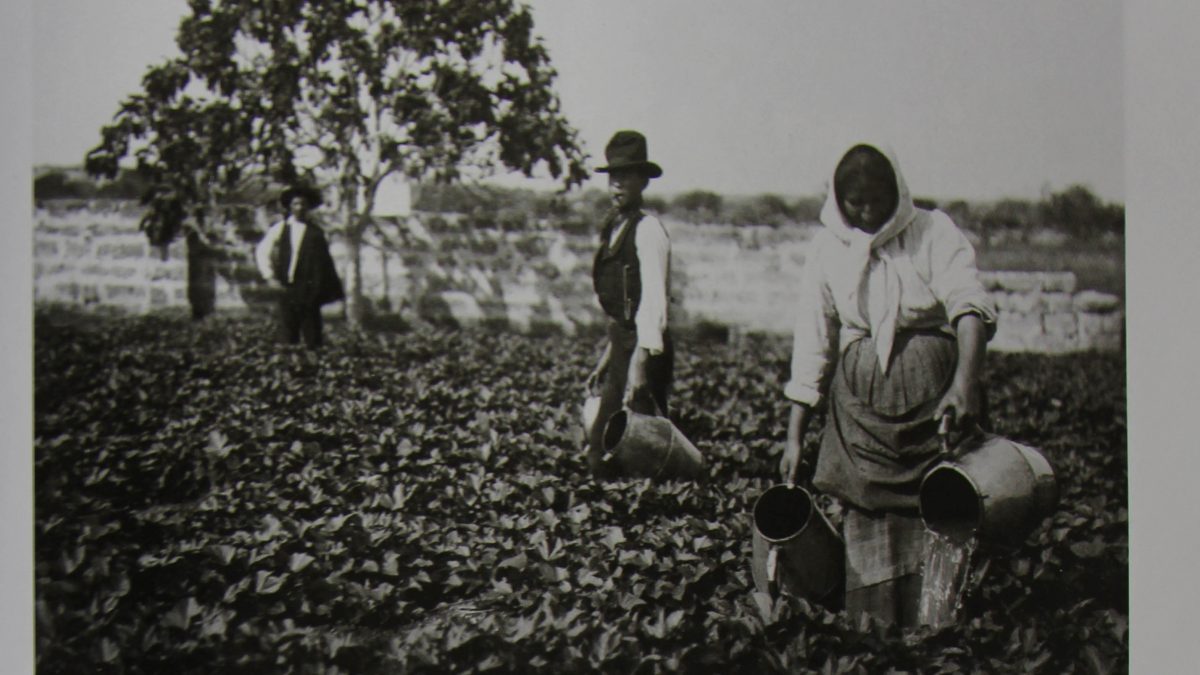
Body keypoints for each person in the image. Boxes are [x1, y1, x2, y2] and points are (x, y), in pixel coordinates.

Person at [778, 142, 997, 628]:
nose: (869, 212)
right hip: (862, 411)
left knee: (943, 506)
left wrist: (964, 385)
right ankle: (874, 628)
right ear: (838, 200)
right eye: (856, 203)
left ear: (897, 192)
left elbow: (969, 308)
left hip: (934, 404)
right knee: (867, 511)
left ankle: (941, 628)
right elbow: (813, 341)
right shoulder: (826, 248)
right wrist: (795, 435)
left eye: (878, 199)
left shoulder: (932, 231)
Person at [585, 130, 674, 479]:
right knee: (615, 446)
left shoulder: (648, 230)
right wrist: (609, 358)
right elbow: (624, 311)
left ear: (642, 181)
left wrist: (638, 367)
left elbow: (652, 302)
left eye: (627, 176)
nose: (617, 184)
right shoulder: (613, 226)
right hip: (625, 345)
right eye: (613, 176)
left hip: (645, 350)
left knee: (626, 446)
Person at [254, 184, 345, 348]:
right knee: (287, 333)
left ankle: (315, 367)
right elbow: (262, 251)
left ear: (309, 207)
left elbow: (325, 263)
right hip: (287, 287)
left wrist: (325, 290)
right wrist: (269, 277)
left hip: (309, 289)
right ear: (290, 206)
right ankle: (288, 367)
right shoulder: (280, 228)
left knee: (313, 334)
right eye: (296, 204)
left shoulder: (316, 233)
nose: (300, 208)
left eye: (304, 204)